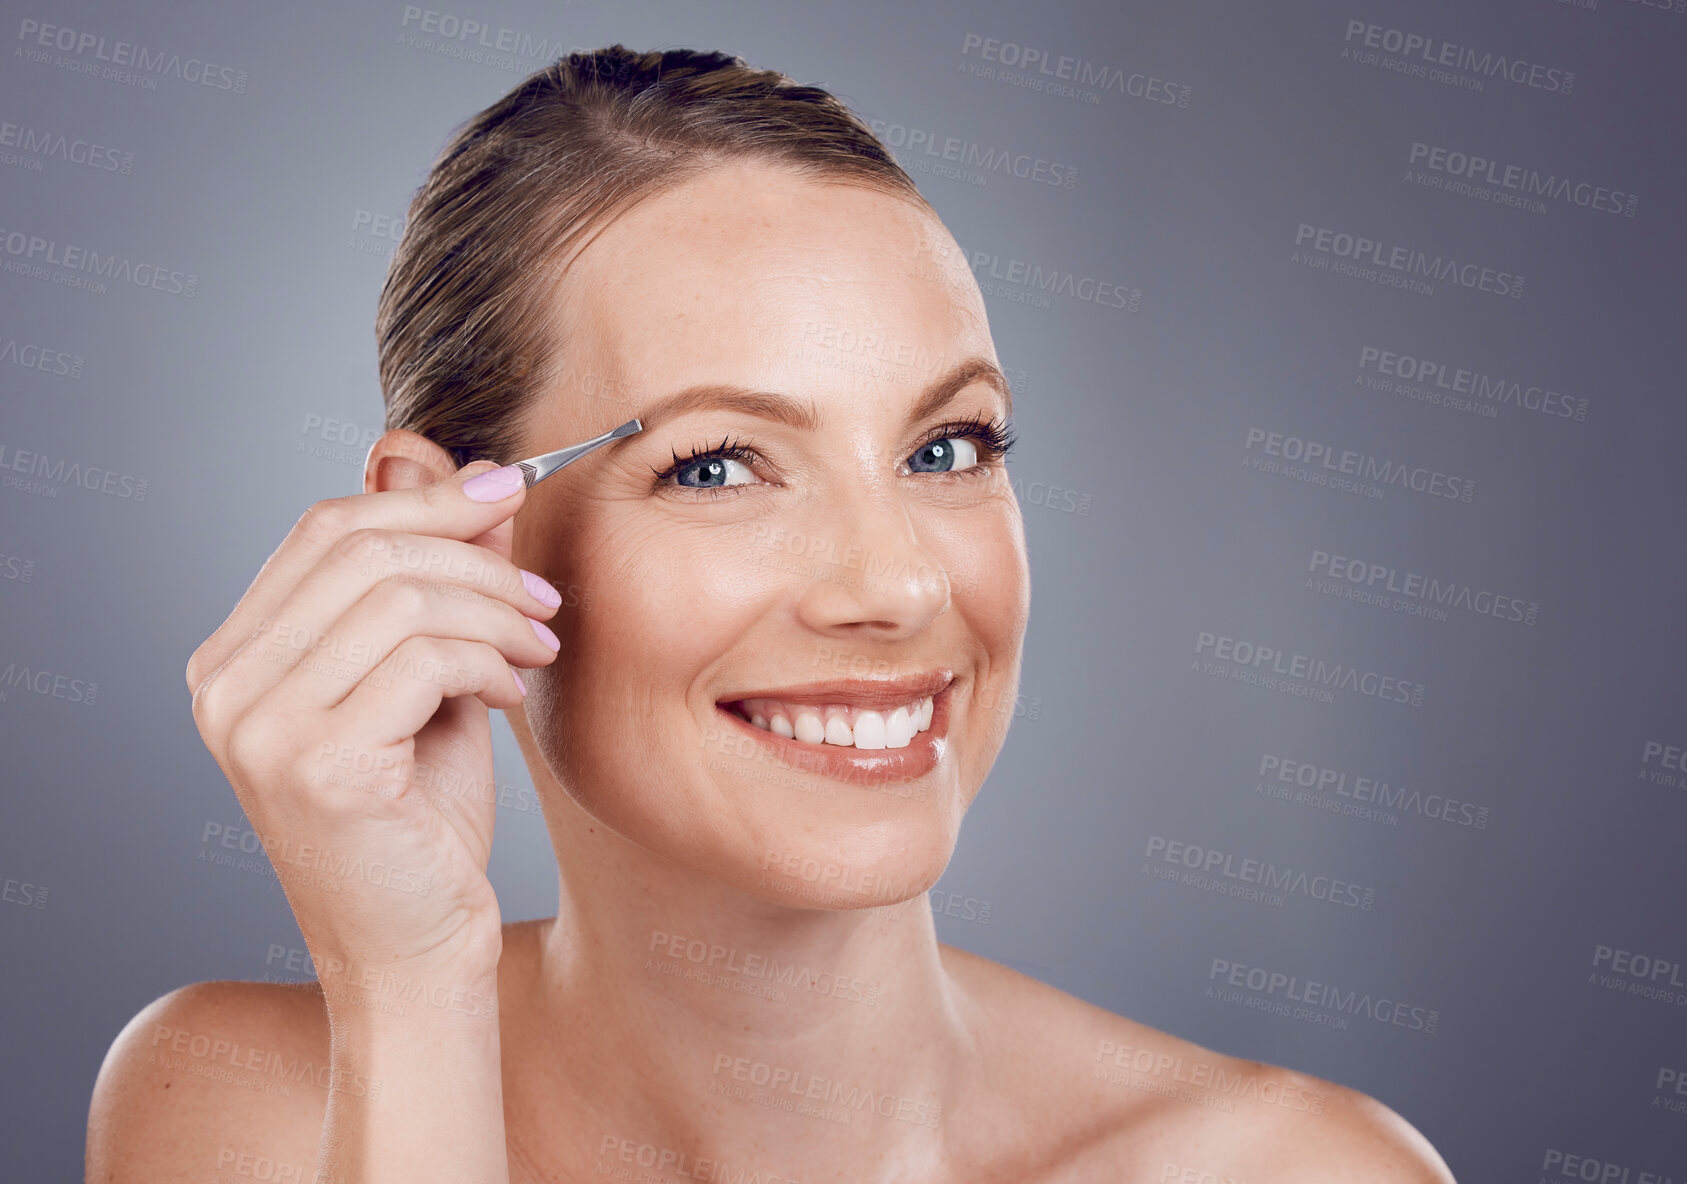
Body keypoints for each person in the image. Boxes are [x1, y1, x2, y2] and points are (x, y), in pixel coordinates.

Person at [85, 46, 1455, 1183]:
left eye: (949, 448)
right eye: (719, 465)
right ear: (448, 527)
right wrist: (411, 993)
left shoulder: (1290, 1168)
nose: (898, 586)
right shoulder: (240, 1115)